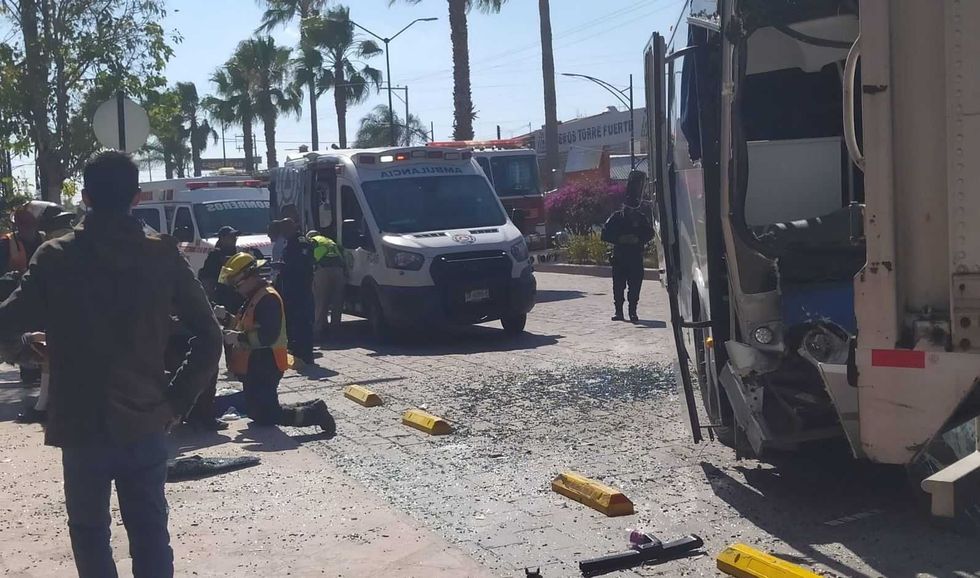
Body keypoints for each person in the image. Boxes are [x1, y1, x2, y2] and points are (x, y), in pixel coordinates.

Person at [0, 151, 222, 578]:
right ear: (136, 197)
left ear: (85, 198)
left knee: (89, 535)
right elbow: (210, 336)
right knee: (150, 534)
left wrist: (26, 347)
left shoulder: (55, 256)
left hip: (80, 426)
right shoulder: (162, 255)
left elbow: (7, 321)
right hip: (145, 419)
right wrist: (175, 402)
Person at [218, 251, 335, 433]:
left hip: (267, 362)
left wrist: (238, 338)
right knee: (257, 411)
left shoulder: (267, 298)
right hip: (255, 363)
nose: (235, 288)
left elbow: (267, 335)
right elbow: (244, 325)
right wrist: (225, 318)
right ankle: (312, 408)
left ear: (250, 276)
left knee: (267, 414)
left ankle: (315, 413)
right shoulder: (254, 297)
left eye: (237, 283)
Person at [1, 202, 48, 384]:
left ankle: (40, 371)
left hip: (40, 295)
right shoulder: (6, 243)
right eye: (23, 224)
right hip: (15, 295)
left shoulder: (44, 240)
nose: (27, 228)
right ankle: (29, 371)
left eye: (30, 223)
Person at [601, 170, 654, 323]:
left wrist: (637, 239)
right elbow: (605, 234)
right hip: (620, 258)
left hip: (635, 258)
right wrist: (620, 239)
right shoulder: (616, 218)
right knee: (618, 287)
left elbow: (649, 233)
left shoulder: (641, 218)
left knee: (635, 287)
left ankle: (633, 312)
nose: (630, 211)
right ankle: (619, 311)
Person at [278, 218, 315, 364]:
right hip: (290, 288)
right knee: (293, 320)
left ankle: (305, 354)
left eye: (285, 229)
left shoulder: (300, 241)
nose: (284, 233)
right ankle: (297, 350)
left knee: (303, 321)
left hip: (300, 287)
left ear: (292, 228)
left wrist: (285, 267)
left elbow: (301, 264)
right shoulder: (290, 242)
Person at [307, 230, 346, 340]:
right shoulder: (330, 241)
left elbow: (309, 257)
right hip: (339, 270)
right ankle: (335, 330)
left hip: (323, 270)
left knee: (320, 301)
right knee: (337, 302)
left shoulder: (313, 240)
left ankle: (318, 331)